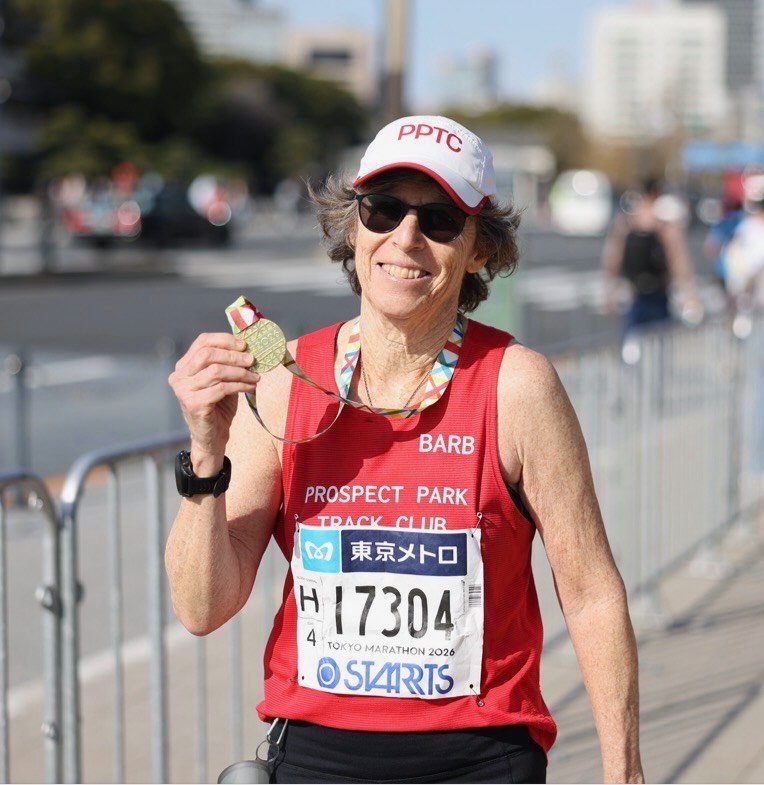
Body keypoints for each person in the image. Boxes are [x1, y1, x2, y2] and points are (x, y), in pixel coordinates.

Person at [166, 115, 644, 784]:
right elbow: (201, 606)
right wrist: (205, 451)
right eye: (383, 208)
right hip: (317, 759)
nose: (406, 237)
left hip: (480, 760)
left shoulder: (518, 386)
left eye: (440, 219)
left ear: (480, 248)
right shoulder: (280, 385)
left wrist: (624, 772)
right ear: (353, 225)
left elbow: (592, 592)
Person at [601, 178, 700, 334]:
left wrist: (609, 289)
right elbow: (678, 260)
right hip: (655, 293)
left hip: (636, 294)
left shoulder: (628, 221)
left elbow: (613, 257)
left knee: (633, 343)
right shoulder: (663, 223)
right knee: (657, 343)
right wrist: (689, 295)